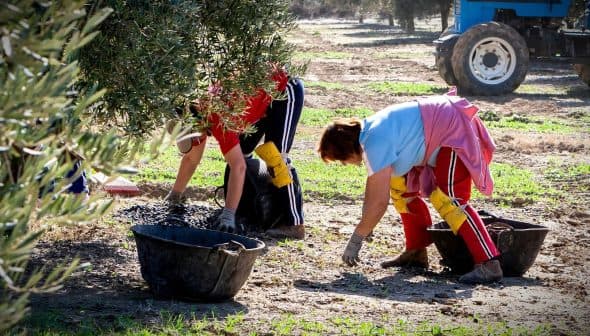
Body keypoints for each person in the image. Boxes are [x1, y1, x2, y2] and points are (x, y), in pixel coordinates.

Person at [316, 88, 502, 284]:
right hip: (443, 125)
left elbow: (378, 203)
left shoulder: (374, 142)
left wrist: (357, 238)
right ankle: (416, 251)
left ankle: (489, 263)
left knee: (451, 201)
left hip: (454, 130)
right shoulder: (369, 134)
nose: (344, 164)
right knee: (400, 187)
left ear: (345, 150)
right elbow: (373, 191)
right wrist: (366, 223)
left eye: (340, 160)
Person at [165, 67, 305, 239]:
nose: (197, 142)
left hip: (283, 90)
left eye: (195, 139)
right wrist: (175, 195)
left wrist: (228, 214)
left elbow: (238, 167)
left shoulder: (217, 118)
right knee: (243, 153)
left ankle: (295, 224)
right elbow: (191, 159)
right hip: (256, 102)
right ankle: (244, 209)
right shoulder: (198, 116)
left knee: (275, 157)